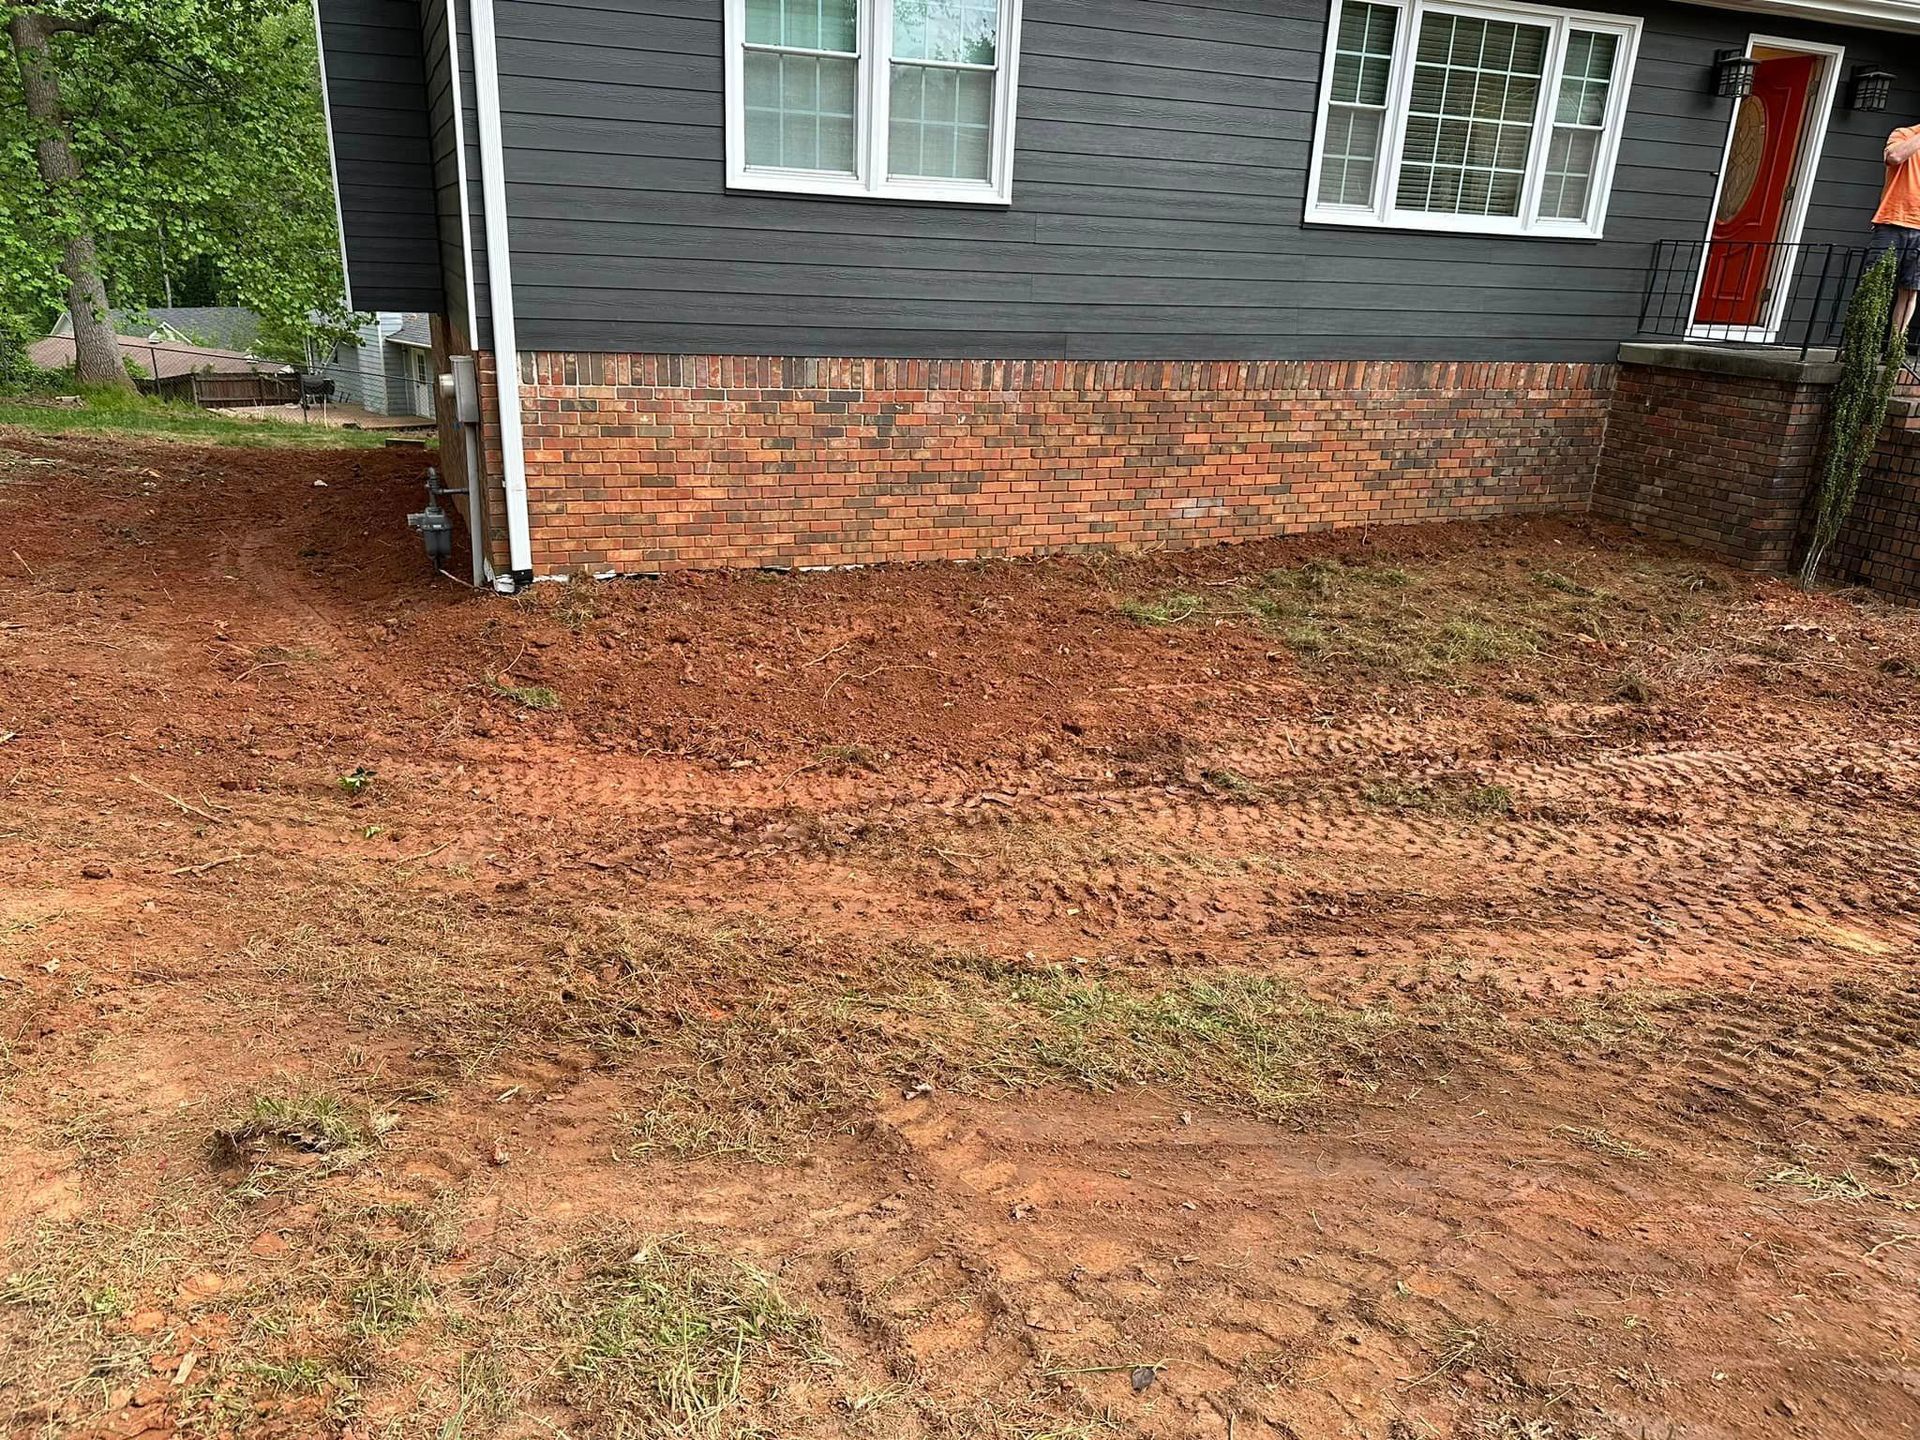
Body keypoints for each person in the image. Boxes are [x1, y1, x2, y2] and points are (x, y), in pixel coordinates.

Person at [1873, 123, 1920, 344]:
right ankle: (1863, 345)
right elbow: (1894, 157)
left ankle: (1895, 347)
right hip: (1892, 221)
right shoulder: (1904, 134)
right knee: (1876, 284)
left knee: (1910, 290)